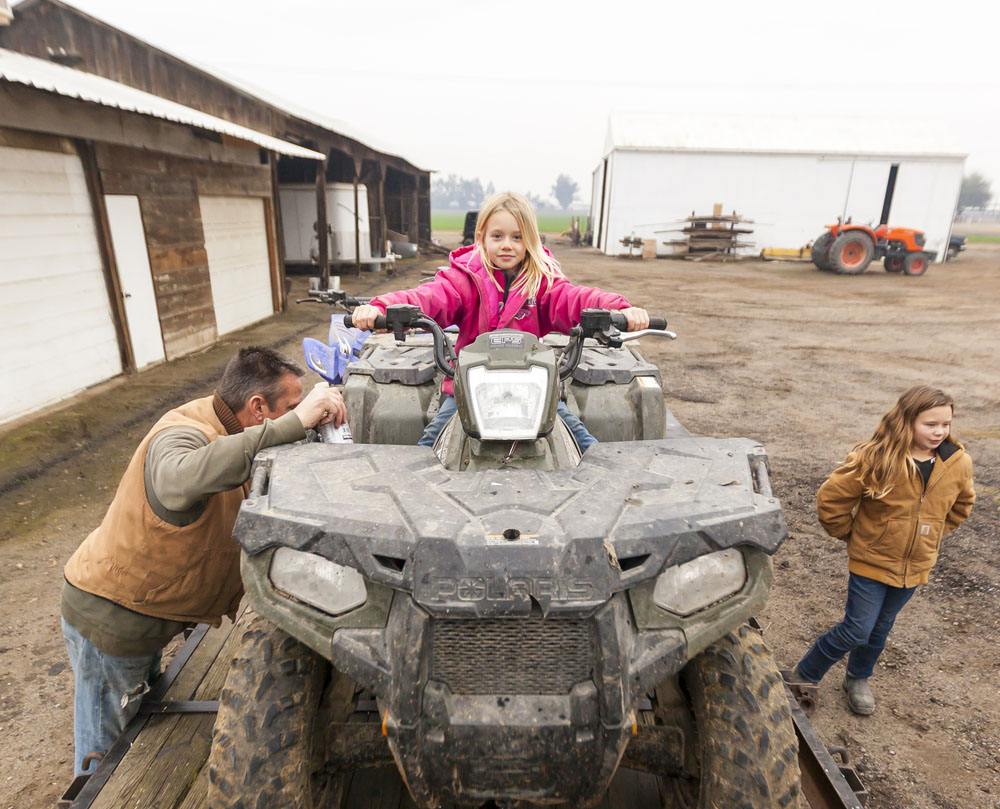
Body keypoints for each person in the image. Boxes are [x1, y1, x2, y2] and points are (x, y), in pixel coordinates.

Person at [61, 346, 346, 774]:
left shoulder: (234, 433)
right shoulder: (182, 432)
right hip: (113, 617)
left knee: (137, 721)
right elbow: (180, 479)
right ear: (258, 408)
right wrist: (295, 423)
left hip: (146, 614)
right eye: (290, 408)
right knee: (105, 762)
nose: (299, 418)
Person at [351, 191, 649, 449]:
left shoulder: (540, 283)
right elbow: (430, 297)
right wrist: (383, 307)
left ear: (530, 240)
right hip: (468, 388)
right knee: (430, 445)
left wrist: (619, 309)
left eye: (517, 237)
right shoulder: (464, 280)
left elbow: (575, 299)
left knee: (584, 443)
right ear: (481, 237)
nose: (507, 245)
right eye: (498, 236)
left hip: (534, 388)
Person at [786, 385, 975, 716]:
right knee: (857, 628)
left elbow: (962, 505)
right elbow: (832, 499)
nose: (939, 432)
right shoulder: (876, 457)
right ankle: (805, 675)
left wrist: (932, 534)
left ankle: (857, 678)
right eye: (930, 424)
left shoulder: (957, 462)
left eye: (945, 424)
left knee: (880, 629)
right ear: (906, 420)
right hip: (870, 562)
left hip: (915, 566)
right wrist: (853, 535)